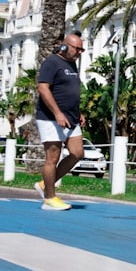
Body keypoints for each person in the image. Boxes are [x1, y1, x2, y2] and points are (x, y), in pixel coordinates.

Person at [34, 32, 86, 211]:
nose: (79, 52)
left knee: (78, 153)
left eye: (82, 49)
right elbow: (43, 88)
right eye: (76, 48)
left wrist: (78, 112)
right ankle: (49, 198)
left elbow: (69, 91)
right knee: (52, 158)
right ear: (65, 46)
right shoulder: (51, 63)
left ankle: (45, 184)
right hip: (50, 118)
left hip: (71, 118)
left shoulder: (72, 64)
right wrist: (57, 113)